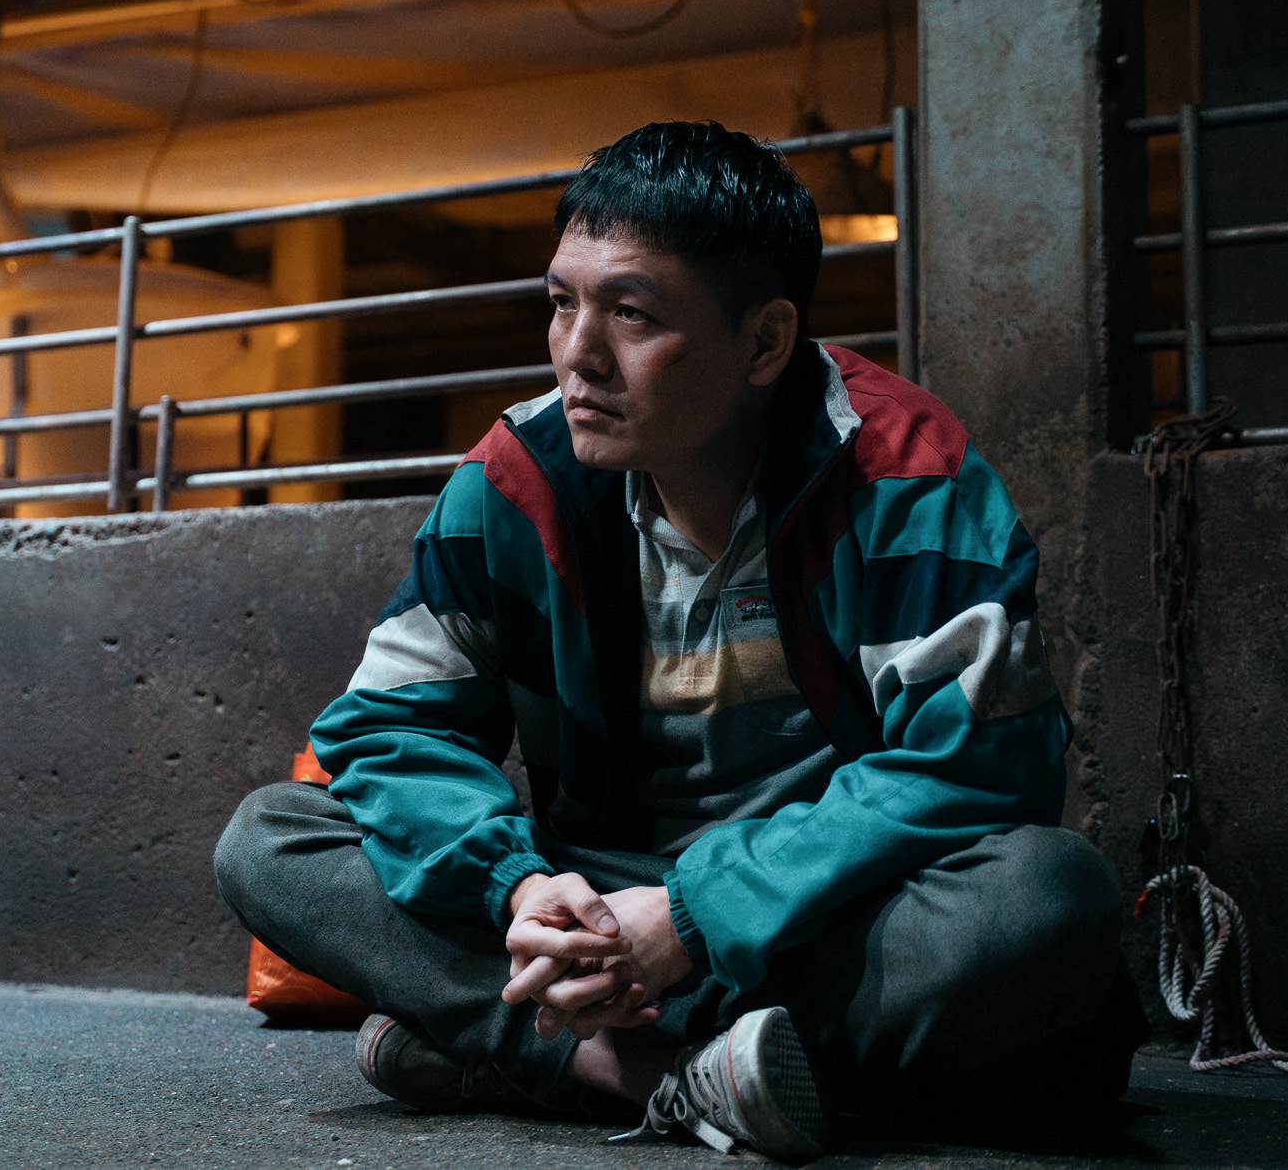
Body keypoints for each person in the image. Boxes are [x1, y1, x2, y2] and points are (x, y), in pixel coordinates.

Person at [215, 120, 1145, 1161]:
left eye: (631, 313)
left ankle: (523, 1052)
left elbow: (975, 767)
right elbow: (388, 729)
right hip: (599, 892)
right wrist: (520, 887)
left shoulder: (901, 473)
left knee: (1043, 895)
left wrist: (695, 914)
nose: (577, 353)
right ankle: (676, 1073)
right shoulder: (517, 481)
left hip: (821, 907)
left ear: (765, 343)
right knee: (273, 838)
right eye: (561, 303)